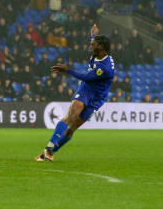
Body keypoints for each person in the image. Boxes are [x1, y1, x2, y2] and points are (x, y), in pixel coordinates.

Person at [36, 24, 114, 162]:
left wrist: (67, 70)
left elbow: (86, 77)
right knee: (72, 114)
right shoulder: (99, 52)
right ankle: (49, 148)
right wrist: (93, 35)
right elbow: (87, 81)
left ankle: (50, 153)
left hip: (97, 97)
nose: (90, 47)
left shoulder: (105, 68)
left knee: (72, 129)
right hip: (86, 89)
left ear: (101, 48)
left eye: (93, 44)